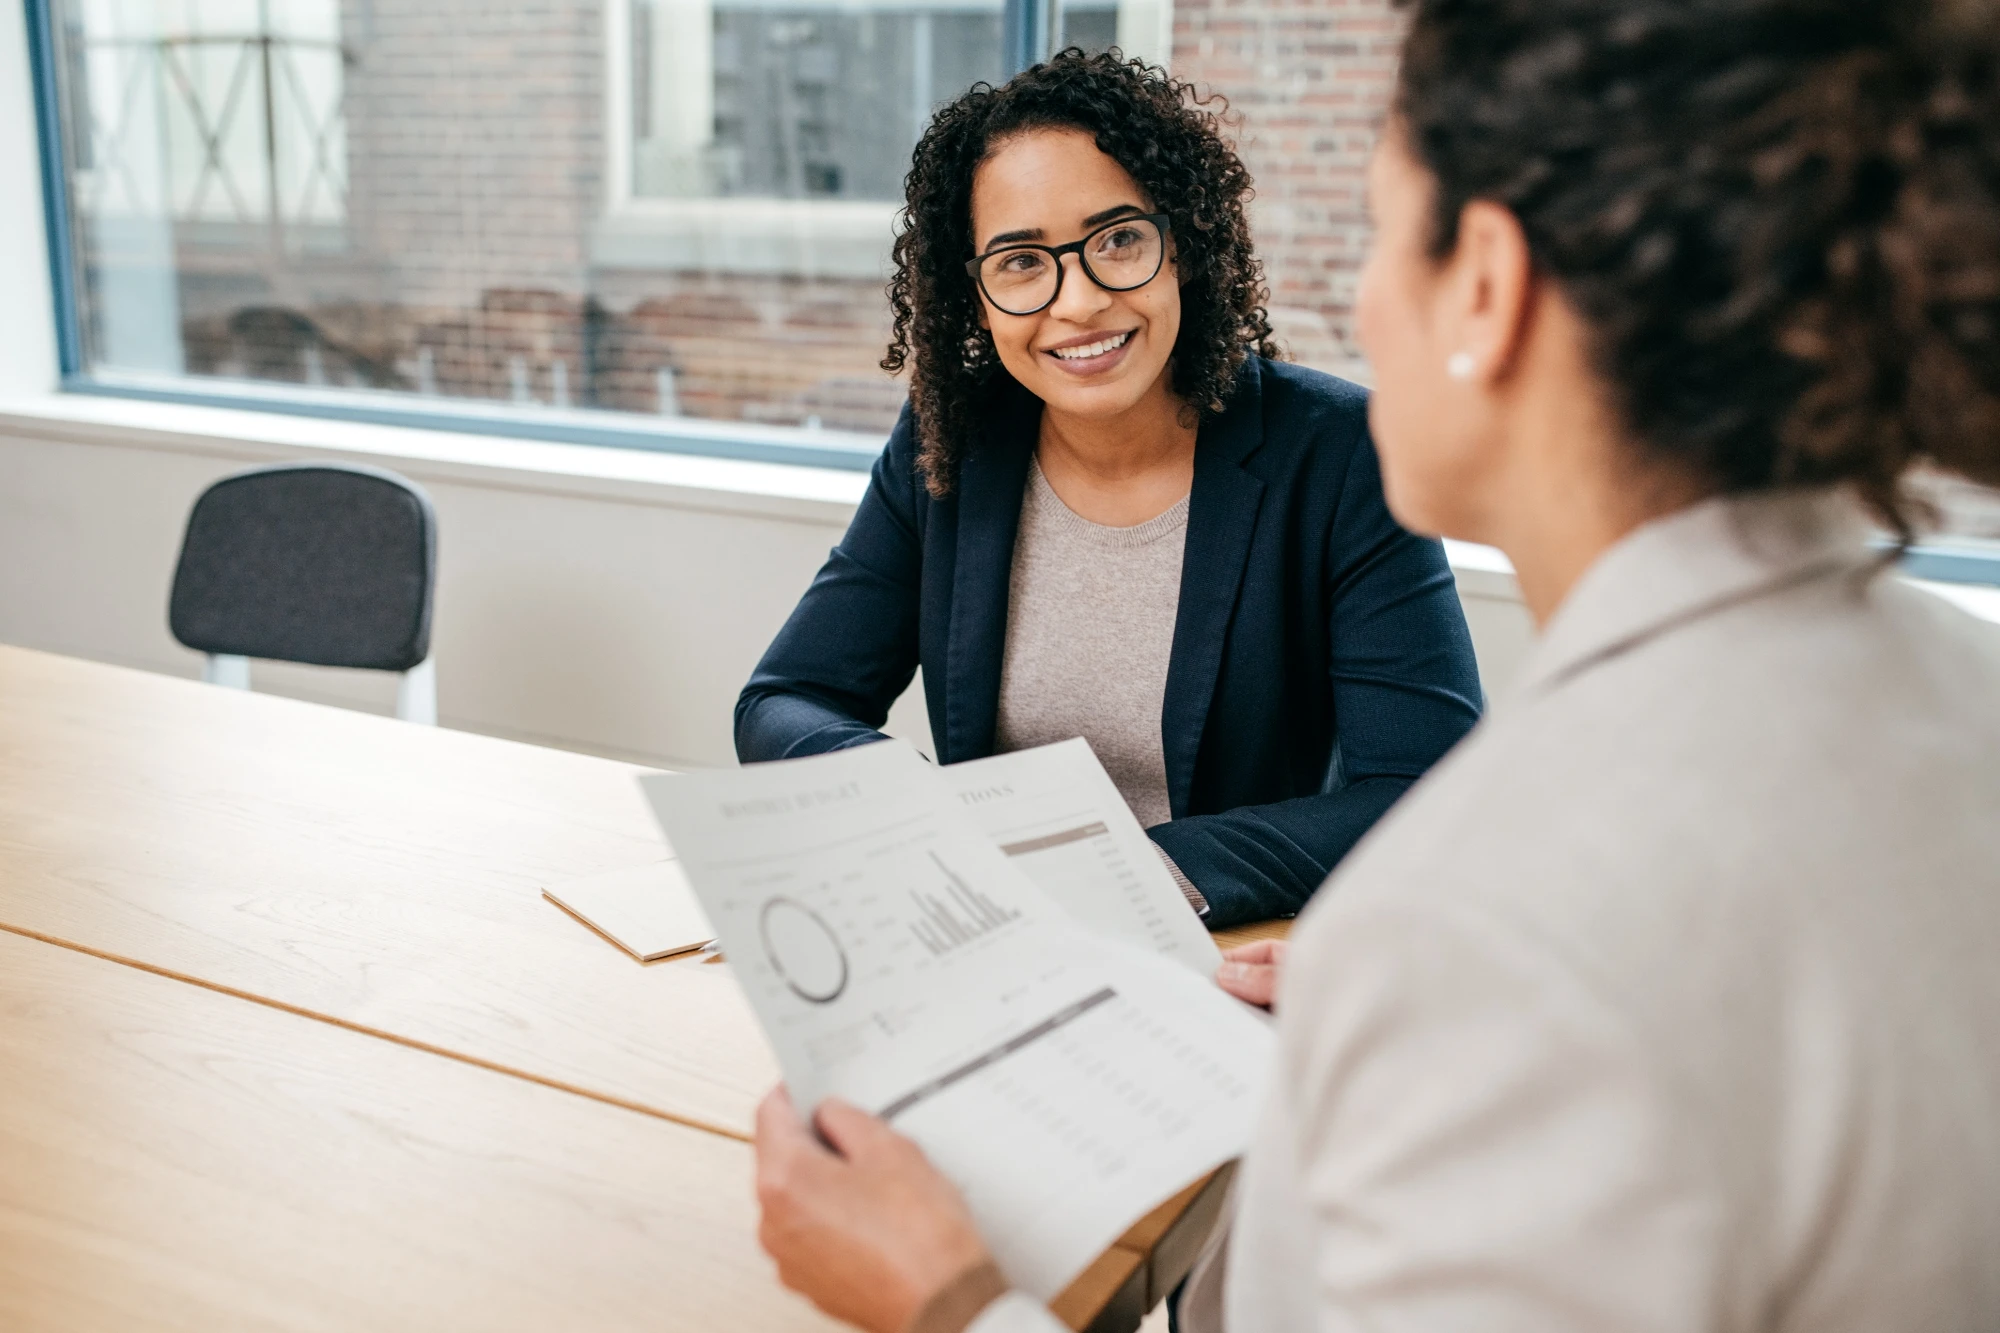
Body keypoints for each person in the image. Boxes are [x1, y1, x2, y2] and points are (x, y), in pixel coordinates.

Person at [746, 2, 2000, 1330]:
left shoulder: (1475, 925)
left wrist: (947, 1303)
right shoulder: (1966, 699)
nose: (1356, 298)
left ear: (1486, 286)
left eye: (1384, 227)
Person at [735, 52, 1484, 928]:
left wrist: (1136, 874)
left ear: (1185, 247)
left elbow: (1427, 789)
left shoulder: (1342, 456)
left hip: (1234, 945)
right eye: (1020, 261)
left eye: (1118, 238)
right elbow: (782, 702)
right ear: (974, 296)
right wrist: (908, 803)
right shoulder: (953, 446)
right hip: (1002, 935)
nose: (1079, 300)